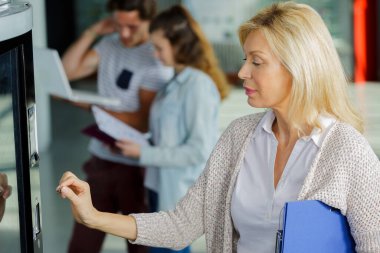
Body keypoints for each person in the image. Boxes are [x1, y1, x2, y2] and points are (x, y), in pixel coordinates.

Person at [57, 2, 380, 253]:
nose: (241, 73)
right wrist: (93, 217)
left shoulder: (346, 150)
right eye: (244, 59)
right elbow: (180, 225)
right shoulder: (239, 136)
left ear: (298, 67)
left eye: (256, 61)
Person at [114, 5, 229, 253]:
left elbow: (198, 151)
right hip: (158, 186)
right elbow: (167, 136)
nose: (155, 55)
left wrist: (143, 153)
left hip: (177, 196)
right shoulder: (173, 82)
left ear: (178, 45)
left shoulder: (198, 86)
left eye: (159, 48)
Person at [61, 0, 173, 252]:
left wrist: (94, 108)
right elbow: (67, 72)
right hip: (100, 159)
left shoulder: (156, 59)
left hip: (136, 168)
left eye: (132, 26)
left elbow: (143, 119)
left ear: (148, 21)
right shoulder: (108, 44)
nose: (124, 33)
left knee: (139, 245)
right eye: (119, 25)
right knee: (81, 244)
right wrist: (92, 32)